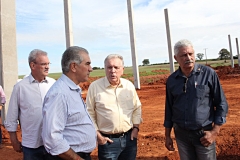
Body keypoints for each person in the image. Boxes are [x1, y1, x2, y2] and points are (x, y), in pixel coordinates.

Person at [164, 39, 228, 160]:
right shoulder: (172, 80)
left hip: (204, 134)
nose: (188, 57)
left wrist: (214, 132)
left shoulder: (208, 74)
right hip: (181, 135)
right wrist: (167, 135)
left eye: (191, 54)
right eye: (184, 55)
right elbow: (169, 108)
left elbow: (221, 103)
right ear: (175, 58)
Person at [42, 46, 96, 160]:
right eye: (87, 64)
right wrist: (76, 158)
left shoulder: (71, 89)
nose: (90, 69)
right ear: (74, 66)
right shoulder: (59, 94)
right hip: (68, 157)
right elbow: (53, 138)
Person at [86, 54, 142, 160]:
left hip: (129, 139)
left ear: (122, 70)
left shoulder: (128, 86)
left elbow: (137, 108)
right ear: (105, 69)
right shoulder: (95, 87)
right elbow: (89, 113)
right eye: (109, 67)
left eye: (116, 67)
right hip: (108, 142)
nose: (112, 71)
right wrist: (98, 136)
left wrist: (136, 128)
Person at [4, 49, 55, 159]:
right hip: (32, 145)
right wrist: (14, 140)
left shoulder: (53, 84)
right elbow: (12, 116)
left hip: (53, 143)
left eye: (48, 64)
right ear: (33, 65)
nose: (47, 67)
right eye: (43, 64)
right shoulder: (20, 87)